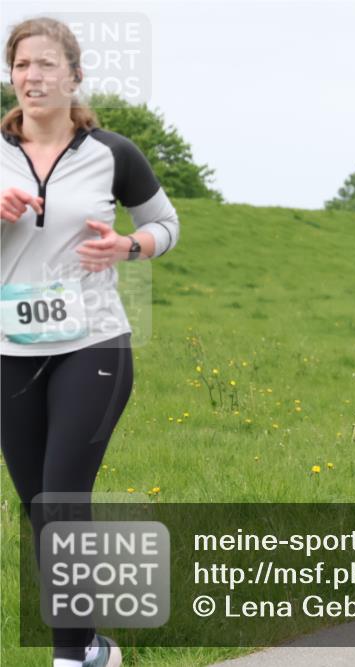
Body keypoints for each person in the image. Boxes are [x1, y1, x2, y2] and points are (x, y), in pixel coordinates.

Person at [1, 17, 179, 667]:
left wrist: (131, 245)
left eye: (48, 64)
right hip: (10, 350)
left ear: (75, 76)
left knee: (61, 495)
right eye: (23, 65)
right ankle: (93, 644)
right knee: (40, 508)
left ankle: (69, 659)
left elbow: (166, 222)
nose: (34, 76)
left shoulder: (113, 152)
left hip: (93, 342)